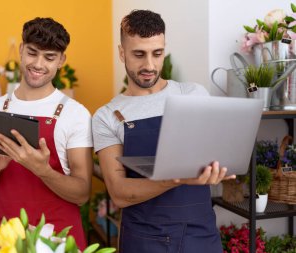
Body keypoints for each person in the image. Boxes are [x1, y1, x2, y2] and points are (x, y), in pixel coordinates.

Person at [92, 10, 235, 253]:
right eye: (139, 54)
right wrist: (175, 180)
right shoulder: (107, 116)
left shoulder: (193, 95)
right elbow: (118, 193)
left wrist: (220, 167)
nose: (149, 65)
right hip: (143, 239)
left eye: (157, 53)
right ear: (121, 52)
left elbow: (213, 153)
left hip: (200, 234)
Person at [0, 17, 93, 251]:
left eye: (49, 57)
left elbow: (82, 193)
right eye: (33, 53)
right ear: (22, 51)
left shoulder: (75, 114)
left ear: (61, 61)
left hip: (59, 238)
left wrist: (42, 170)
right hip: (7, 238)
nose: (38, 64)